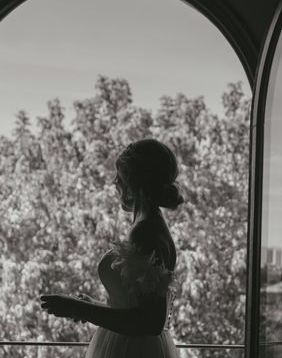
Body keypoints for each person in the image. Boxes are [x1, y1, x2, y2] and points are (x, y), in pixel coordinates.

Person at [40, 138, 183, 357]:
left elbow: (150, 323)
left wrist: (77, 308)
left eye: (120, 175)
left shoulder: (145, 231)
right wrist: (93, 305)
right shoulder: (148, 223)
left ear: (135, 181)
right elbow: (136, 308)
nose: (114, 182)